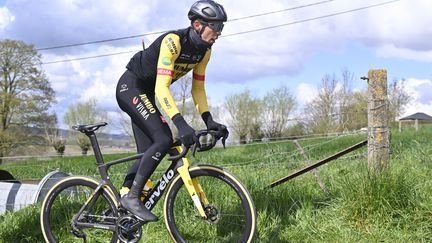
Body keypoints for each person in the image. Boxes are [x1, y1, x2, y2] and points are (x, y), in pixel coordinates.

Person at [115, 0, 229, 222]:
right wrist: (181, 123)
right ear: (197, 24)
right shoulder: (173, 42)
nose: (219, 33)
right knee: (165, 137)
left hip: (145, 94)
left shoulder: (205, 52)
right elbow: (161, 87)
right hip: (131, 87)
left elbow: (198, 88)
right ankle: (133, 198)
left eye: (221, 28)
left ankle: (123, 205)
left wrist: (209, 120)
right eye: (215, 27)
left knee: (147, 152)